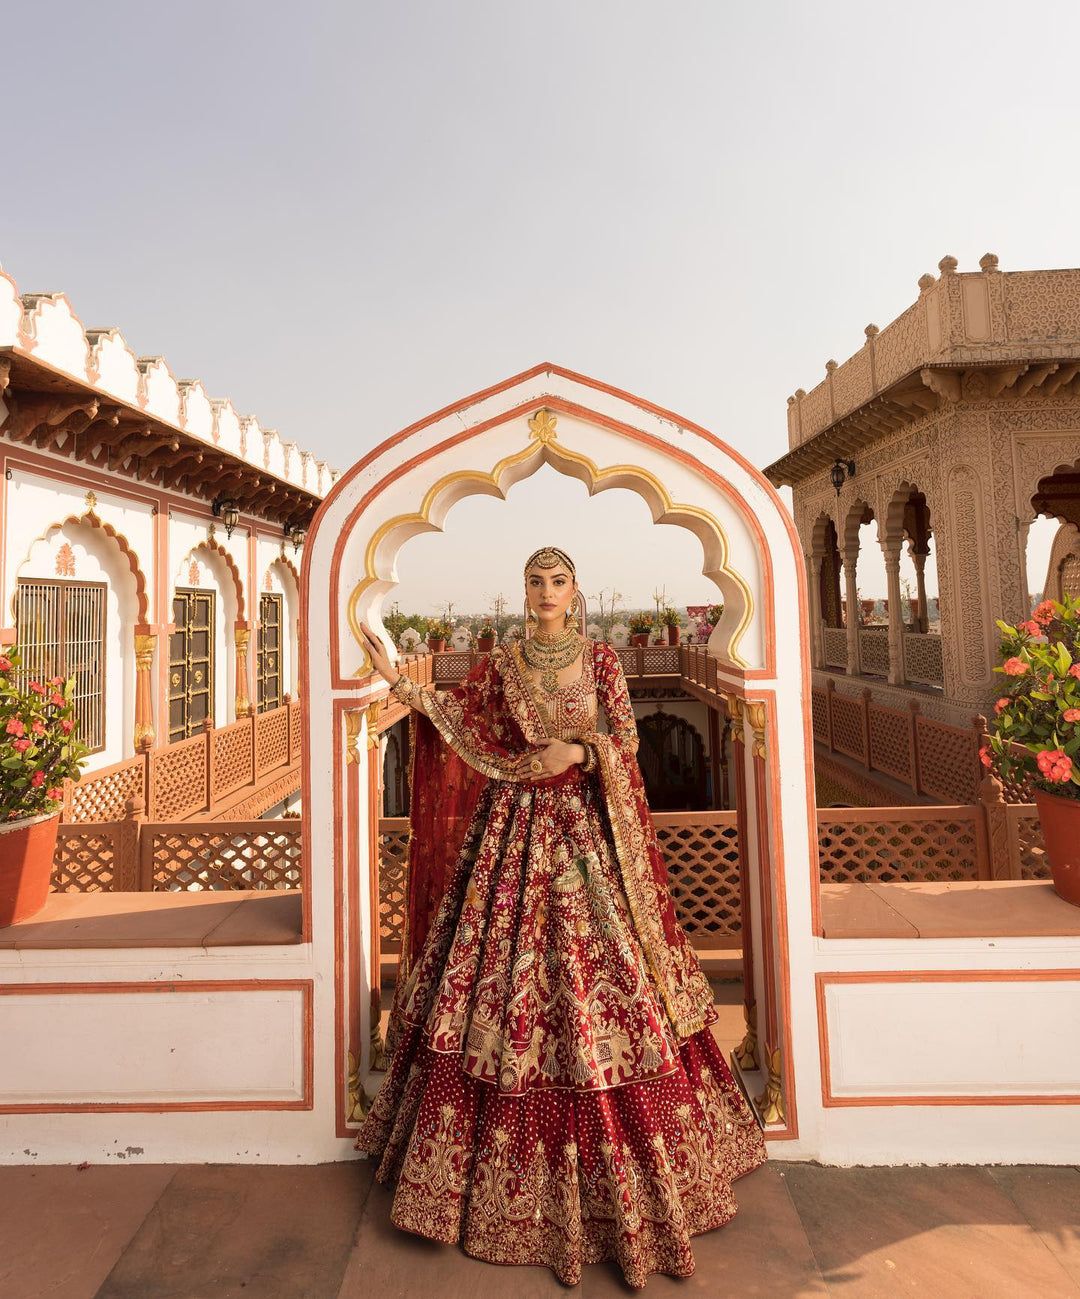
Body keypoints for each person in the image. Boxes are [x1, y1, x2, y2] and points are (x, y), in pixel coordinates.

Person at [354, 546, 766, 1289]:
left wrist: (576, 748)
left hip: (583, 837)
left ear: (575, 591)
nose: (545, 592)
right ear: (524, 591)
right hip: (511, 830)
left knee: (599, 980)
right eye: (534, 582)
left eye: (557, 582)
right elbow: (468, 720)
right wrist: (402, 686)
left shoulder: (603, 659)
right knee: (497, 978)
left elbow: (628, 740)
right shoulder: (505, 662)